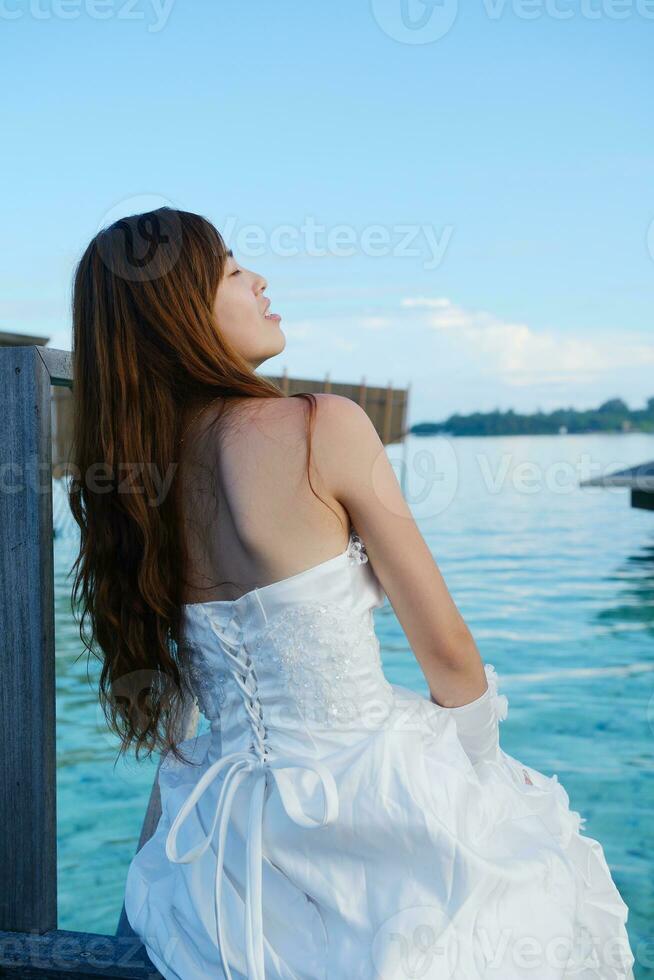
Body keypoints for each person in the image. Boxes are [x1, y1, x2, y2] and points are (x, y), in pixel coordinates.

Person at [68, 207, 635, 979]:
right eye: (233, 270)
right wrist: (484, 787)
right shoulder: (319, 427)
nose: (261, 279)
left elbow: (183, 712)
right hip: (370, 804)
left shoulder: (135, 494)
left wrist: (160, 851)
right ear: (178, 313)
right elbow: (450, 652)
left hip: (228, 849)